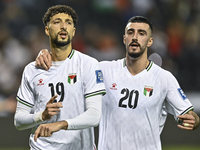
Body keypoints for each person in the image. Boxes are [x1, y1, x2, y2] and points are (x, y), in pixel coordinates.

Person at [35, 16, 199, 150]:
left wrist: (193, 120)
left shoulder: (164, 78)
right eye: (131, 32)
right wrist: (46, 53)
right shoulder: (104, 70)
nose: (135, 37)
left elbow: (188, 114)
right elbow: (68, 68)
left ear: (149, 41)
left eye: (141, 33)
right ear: (124, 38)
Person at [14, 5, 106, 150]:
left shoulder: (88, 64)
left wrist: (61, 124)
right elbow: (19, 121)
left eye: (68, 23)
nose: (63, 26)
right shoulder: (32, 70)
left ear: (73, 31)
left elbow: (94, 115)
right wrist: (41, 116)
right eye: (57, 22)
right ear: (47, 29)